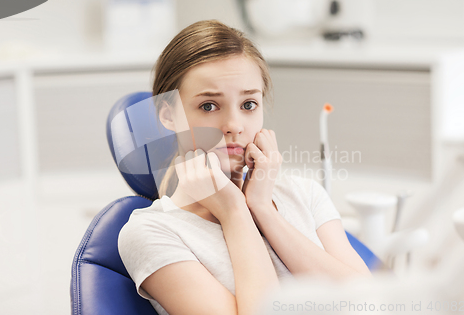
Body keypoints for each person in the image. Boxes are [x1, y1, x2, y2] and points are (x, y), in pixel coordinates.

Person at [118, 19, 372, 315]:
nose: (234, 125)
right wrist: (235, 212)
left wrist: (263, 210)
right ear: (169, 116)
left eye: (249, 104)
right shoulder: (151, 232)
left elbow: (368, 302)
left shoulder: (304, 194)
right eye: (209, 106)